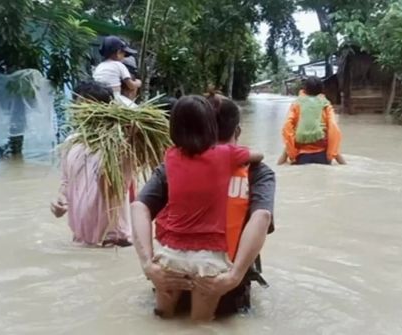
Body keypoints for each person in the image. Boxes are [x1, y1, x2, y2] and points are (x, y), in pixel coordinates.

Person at [131, 95, 275, 320]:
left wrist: (148, 265)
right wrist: (235, 276)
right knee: (203, 326)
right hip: (220, 281)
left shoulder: (172, 160)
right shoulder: (257, 171)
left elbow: (139, 207)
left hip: (168, 272)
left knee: (161, 321)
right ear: (236, 131)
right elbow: (262, 217)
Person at [50, 81, 132, 247]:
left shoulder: (119, 145)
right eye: (78, 107)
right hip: (81, 238)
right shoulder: (71, 143)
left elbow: (120, 184)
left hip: (113, 239)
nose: (82, 114)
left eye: (88, 108)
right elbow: (66, 182)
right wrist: (60, 202)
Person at [278, 76, 346, 165]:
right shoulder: (326, 104)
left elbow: (287, 127)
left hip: (301, 150)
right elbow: (333, 127)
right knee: (335, 150)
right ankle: (345, 165)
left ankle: (277, 167)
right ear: (321, 90)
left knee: (287, 148)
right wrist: (331, 153)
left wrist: (292, 154)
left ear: (304, 89)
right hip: (322, 146)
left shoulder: (296, 104)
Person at [92, 36, 142, 106]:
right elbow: (131, 85)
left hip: (98, 97)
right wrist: (138, 83)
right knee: (135, 108)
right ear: (118, 53)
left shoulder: (99, 66)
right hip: (114, 97)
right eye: (124, 54)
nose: (124, 57)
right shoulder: (119, 65)